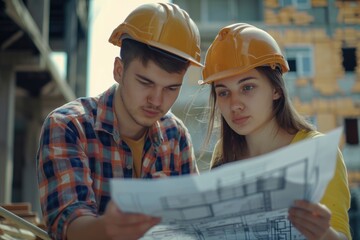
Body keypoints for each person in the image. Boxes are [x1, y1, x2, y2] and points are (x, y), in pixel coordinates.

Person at [36, 3, 202, 240]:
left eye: (171, 88)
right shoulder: (68, 126)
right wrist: (109, 227)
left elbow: (194, 226)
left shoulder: (176, 136)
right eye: (145, 82)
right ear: (118, 70)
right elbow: (68, 223)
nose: (157, 100)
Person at [199, 23, 351, 240]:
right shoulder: (224, 153)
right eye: (223, 93)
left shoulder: (318, 152)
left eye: (247, 88)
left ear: (276, 90)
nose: (234, 105)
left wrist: (324, 234)